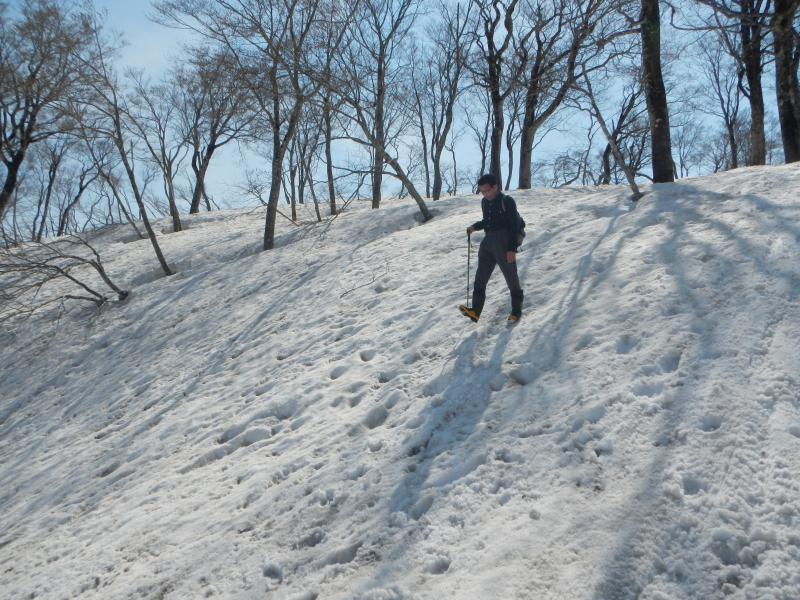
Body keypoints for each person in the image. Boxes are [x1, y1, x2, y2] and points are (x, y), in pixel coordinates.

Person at [458, 173, 524, 323]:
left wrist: (512, 249)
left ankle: (516, 311)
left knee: (510, 277)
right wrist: (474, 227)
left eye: (487, 190)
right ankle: (475, 311)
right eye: (482, 192)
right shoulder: (484, 202)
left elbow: (514, 226)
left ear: (495, 186)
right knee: (480, 278)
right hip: (488, 241)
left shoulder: (507, 201)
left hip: (504, 241)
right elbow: (487, 221)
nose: (485, 194)